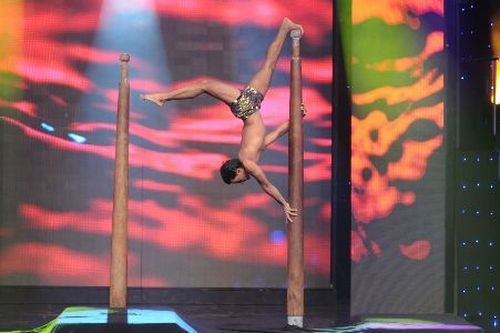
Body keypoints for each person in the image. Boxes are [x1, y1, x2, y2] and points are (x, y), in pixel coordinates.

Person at [141, 17, 304, 223]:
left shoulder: (248, 162)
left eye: (238, 180)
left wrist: (284, 204)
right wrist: (298, 118)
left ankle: (162, 97)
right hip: (250, 106)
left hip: (246, 107)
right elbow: (278, 133)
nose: (243, 181)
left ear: (237, 170)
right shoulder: (252, 154)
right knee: (268, 65)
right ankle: (285, 26)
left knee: (205, 84)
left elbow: (266, 185)